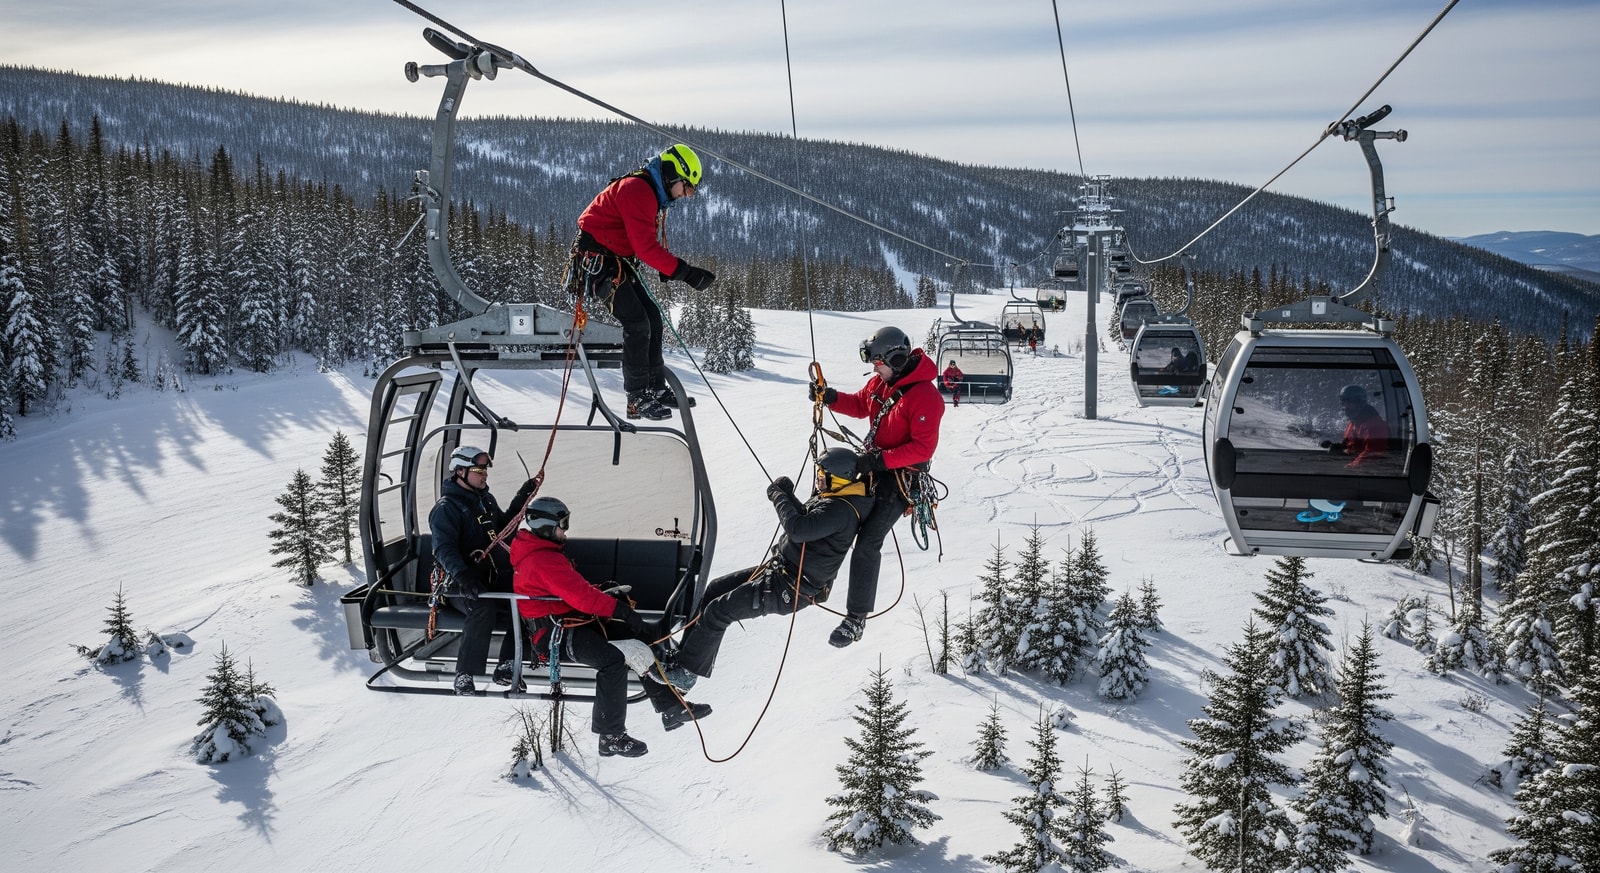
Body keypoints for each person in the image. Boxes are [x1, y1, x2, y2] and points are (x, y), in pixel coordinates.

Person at [509, 496, 712, 758]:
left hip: (569, 622)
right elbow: (581, 597)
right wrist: (621, 610)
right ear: (546, 526)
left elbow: (575, 593)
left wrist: (610, 602)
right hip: (553, 635)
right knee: (612, 661)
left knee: (634, 636)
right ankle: (610, 736)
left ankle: (670, 707)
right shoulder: (542, 561)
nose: (565, 530)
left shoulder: (545, 555)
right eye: (562, 524)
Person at [657, 448, 875, 688]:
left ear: (839, 478)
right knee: (714, 590)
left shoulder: (840, 509)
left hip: (790, 588)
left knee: (719, 611)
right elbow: (808, 518)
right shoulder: (835, 499)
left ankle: (687, 674)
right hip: (781, 572)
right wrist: (788, 495)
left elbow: (798, 528)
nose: (818, 479)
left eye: (822, 474)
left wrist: (778, 496)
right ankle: (685, 661)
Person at [808, 325, 944, 647]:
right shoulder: (882, 383)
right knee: (835, 512)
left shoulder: (926, 397)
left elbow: (922, 449)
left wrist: (879, 462)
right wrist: (830, 398)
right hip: (874, 468)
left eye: (878, 363)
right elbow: (859, 404)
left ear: (895, 360)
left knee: (868, 539)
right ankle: (819, 580)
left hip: (899, 479)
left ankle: (856, 618)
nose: (874, 368)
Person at [572, 143, 716, 422]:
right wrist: (685, 272)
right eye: (686, 187)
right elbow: (646, 248)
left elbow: (640, 244)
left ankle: (655, 388)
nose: (685, 195)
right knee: (637, 323)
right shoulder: (639, 190)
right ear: (673, 175)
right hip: (600, 261)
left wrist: (672, 268)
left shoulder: (648, 191)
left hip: (615, 259)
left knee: (653, 317)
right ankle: (637, 396)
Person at [429, 445, 539, 696]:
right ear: (460, 472)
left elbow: (503, 529)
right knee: (483, 605)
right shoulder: (446, 508)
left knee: (524, 597)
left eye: (485, 470)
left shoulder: (485, 500)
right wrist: (463, 576)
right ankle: (464, 674)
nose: (484, 475)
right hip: (458, 583)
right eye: (478, 470)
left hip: (486, 577)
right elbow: (443, 549)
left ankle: (508, 665)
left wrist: (523, 496)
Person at [1329, 384, 1388, 468]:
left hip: (1367, 472)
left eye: (1349, 403)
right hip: (1353, 462)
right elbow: (1350, 444)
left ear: (1359, 403)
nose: (1345, 407)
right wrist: (1339, 447)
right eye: (1343, 403)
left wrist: (1351, 467)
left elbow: (1373, 452)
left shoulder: (1374, 425)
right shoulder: (1354, 421)